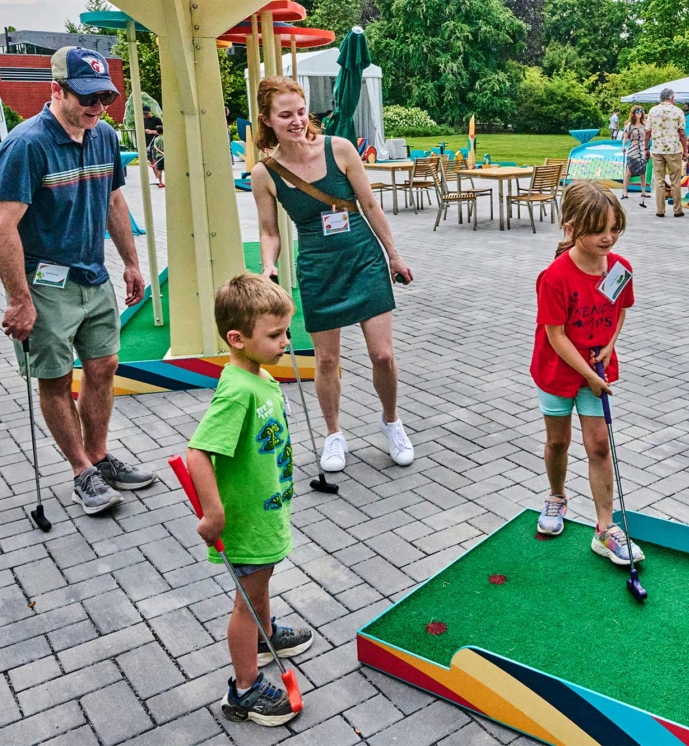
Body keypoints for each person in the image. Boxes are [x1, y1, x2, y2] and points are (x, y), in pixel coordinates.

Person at [0, 46, 154, 514]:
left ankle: (99, 457)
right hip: (44, 283)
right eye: (87, 98)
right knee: (56, 378)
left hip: (92, 273)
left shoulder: (101, 136)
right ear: (56, 90)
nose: (98, 108)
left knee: (103, 367)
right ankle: (82, 470)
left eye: (105, 97)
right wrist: (19, 299)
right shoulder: (26, 145)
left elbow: (115, 202)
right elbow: (2, 226)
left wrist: (131, 261)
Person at [251, 77, 414, 474]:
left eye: (301, 112)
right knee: (326, 361)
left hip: (362, 258)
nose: (296, 121)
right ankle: (333, 434)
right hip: (318, 268)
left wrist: (393, 256)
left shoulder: (339, 149)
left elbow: (371, 207)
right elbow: (270, 231)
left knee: (383, 354)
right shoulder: (265, 173)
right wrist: (268, 264)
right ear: (267, 120)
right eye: (285, 115)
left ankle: (392, 422)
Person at [188, 273, 314, 727]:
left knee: (259, 584)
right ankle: (243, 689)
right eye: (275, 335)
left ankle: (265, 636)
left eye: (286, 331)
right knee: (247, 599)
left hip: (266, 510)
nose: (286, 342)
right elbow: (197, 452)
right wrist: (214, 512)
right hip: (242, 520)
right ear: (237, 339)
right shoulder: (237, 390)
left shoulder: (257, 375)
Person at [532, 182, 644, 566]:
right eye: (599, 230)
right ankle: (557, 496)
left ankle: (604, 528)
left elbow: (620, 310)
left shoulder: (620, 268)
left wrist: (610, 347)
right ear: (571, 227)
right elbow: (556, 336)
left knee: (598, 445)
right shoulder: (555, 277)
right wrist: (589, 376)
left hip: (597, 369)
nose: (608, 238)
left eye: (615, 228)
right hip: (557, 371)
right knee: (559, 441)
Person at [647, 88, 688, 218]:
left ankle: (660, 210)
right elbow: (682, 133)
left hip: (657, 149)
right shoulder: (678, 112)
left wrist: (646, 148)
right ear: (671, 97)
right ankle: (677, 210)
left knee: (659, 180)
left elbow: (647, 132)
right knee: (675, 180)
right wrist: (685, 151)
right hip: (673, 150)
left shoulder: (653, 111)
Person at [620, 106, 649, 199]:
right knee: (629, 170)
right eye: (637, 112)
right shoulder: (629, 125)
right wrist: (623, 146)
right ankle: (625, 191)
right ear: (633, 113)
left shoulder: (645, 124)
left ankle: (643, 191)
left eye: (641, 111)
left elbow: (649, 136)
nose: (639, 113)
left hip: (642, 148)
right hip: (633, 147)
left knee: (643, 170)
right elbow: (625, 136)